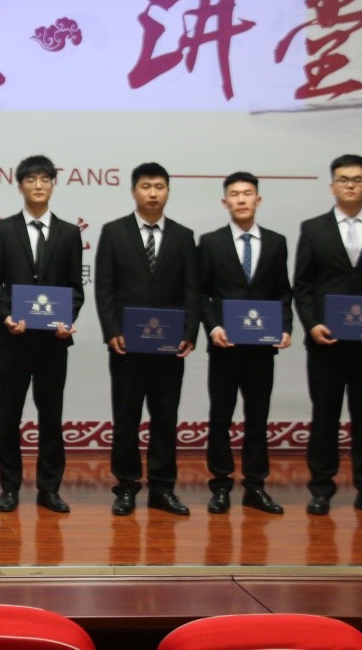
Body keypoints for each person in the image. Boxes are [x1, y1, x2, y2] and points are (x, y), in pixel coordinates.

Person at [293, 154, 362, 518]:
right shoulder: (314, 229)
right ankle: (321, 489)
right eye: (343, 179)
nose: (350, 185)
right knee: (324, 416)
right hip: (326, 342)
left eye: (357, 180)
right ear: (332, 186)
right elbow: (302, 286)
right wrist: (312, 324)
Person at [95, 162, 200, 516]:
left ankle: (162, 489)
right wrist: (111, 331)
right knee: (126, 418)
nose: (152, 193)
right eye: (145, 186)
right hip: (126, 345)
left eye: (159, 187)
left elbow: (192, 290)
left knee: (165, 419)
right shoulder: (114, 232)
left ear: (168, 191)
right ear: (133, 191)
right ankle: (125, 487)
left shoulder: (183, 236)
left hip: (169, 347)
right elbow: (105, 288)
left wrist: (189, 333)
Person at [0, 155, 84, 514]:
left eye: (45, 179)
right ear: (20, 186)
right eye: (31, 179)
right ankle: (9, 488)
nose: (38, 185)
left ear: (53, 184)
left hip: (53, 341)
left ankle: (49, 489)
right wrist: (6, 315)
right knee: (9, 415)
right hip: (13, 338)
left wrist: (67, 318)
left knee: (51, 417)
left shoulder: (69, 233)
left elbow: (75, 287)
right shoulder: (2, 230)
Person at [197, 171, 291, 515]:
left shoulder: (276, 242)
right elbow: (201, 293)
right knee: (220, 416)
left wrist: (285, 327)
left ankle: (255, 486)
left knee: (257, 417)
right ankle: (220, 485)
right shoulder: (210, 242)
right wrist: (213, 328)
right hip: (225, 347)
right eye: (234, 194)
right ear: (225, 202)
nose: (241, 199)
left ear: (258, 200)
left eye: (247, 193)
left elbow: (283, 292)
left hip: (261, 348)